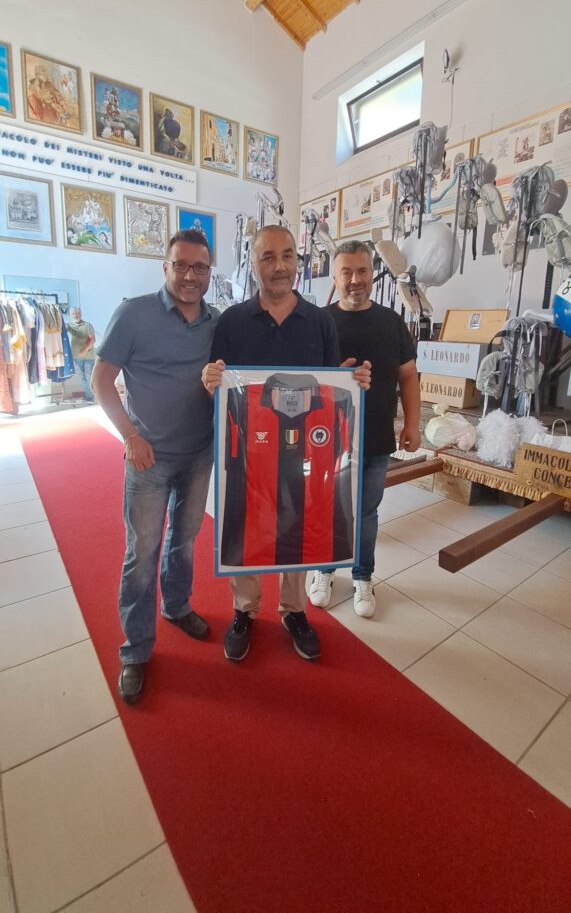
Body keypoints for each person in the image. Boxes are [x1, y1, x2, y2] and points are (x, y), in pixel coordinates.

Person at [202, 225, 370, 664]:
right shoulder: (232, 322)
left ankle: (294, 610)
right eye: (268, 257)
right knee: (246, 523)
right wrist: (210, 380)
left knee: (300, 521)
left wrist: (351, 381)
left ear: (298, 261)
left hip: (304, 450)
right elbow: (219, 385)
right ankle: (244, 611)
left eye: (288, 256)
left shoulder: (320, 322)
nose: (279, 266)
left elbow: (330, 387)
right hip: (249, 450)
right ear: (254, 265)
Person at [91, 230, 218, 705]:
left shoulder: (216, 323)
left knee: (183, 541)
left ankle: (177, 606)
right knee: (141, 553)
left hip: (199, 454)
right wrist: (130, 436)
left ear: (209, 272)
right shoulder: (134, 314)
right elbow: (101, 379)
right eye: (180, 265)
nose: (190, 275)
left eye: (199, 267)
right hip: (148, 457)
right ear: (165, 267)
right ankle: (136, 648)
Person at [309, 240, 421, 618]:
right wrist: (332, 376)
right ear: (334, 277)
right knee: (328, 509)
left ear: (373, 274)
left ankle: (362, 575)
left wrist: (412, 424)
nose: (355, 279)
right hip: (326, 438)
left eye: (362, 271)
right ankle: (325, 570)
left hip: (375, 437)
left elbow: (408, 376)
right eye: (347, 272)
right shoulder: (319, 322)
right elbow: (301, 379)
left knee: (367, 512)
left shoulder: (392, 323)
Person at [67, 307, 97, 402]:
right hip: (76, 357)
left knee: (89, 377)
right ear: (70, 315)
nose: (76, 315)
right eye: (73, 313)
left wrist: (85, 350)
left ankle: (91, 395)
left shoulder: (87, 325)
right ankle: (88, 396)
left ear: (81, 314)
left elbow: (93, 339)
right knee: (83, 378)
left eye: (77, 313)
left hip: (89, 357)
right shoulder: (68, 326)